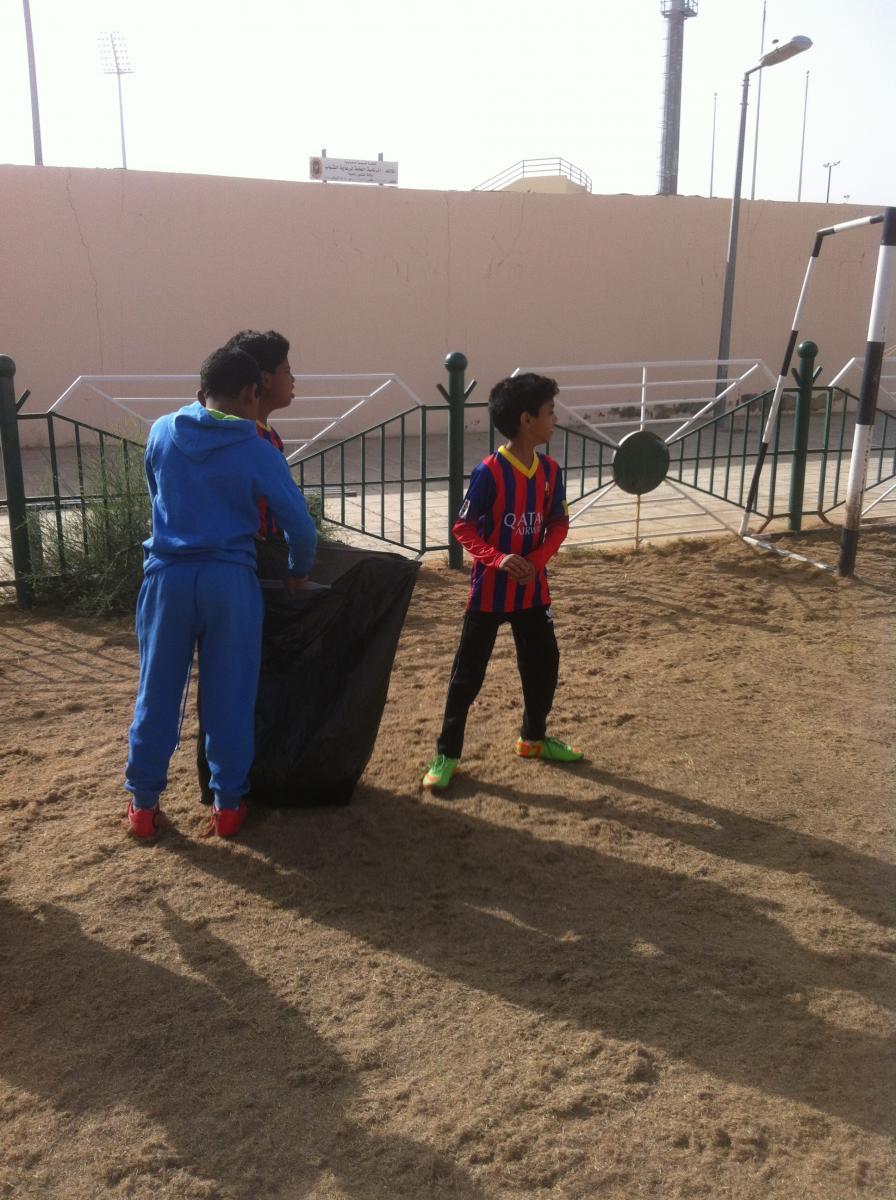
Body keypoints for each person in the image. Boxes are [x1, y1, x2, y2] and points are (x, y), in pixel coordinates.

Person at [124, 346, 318, 839]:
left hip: (166, 578)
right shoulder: (257, 449)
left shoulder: (161, 431)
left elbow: (156, 493)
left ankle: (143, 806)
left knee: (156, 692)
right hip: (230, 581)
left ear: (199, 394)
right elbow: (300, 527)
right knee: (230, 695)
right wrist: (297, 570)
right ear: (253, 393)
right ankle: (228, 806)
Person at [422, 373, 584, 791]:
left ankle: (533, 739)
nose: (555, 419)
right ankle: (447, 754)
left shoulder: (550, 471)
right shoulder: (489, 472)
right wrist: (499, 558)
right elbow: (463, 528)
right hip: (489, 594)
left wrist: (535, 560)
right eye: (549, 412)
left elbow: (559, 524)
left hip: (533, 591)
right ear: (527, 420)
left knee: (544, 664)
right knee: (467, 676)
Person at [223, 329, 295, 569]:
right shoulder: (245, 439)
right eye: (287, 371)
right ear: (265, 379)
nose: (293, 379)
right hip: (258, 552)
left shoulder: (268, 434)